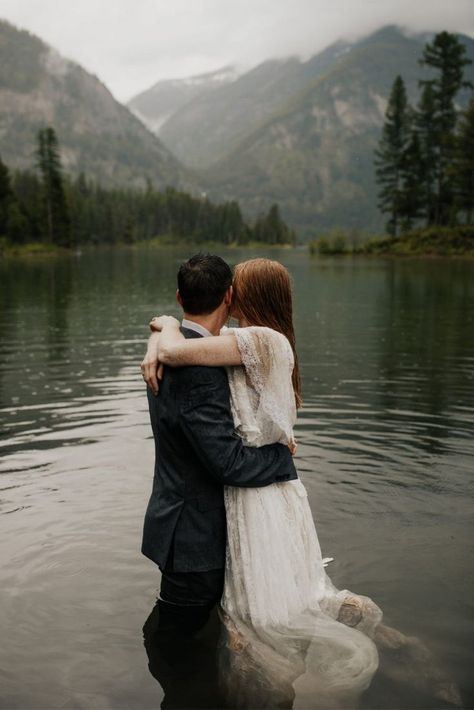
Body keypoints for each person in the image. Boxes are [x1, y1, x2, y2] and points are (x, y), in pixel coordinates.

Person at [142, 256, 384, 709]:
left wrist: (163, 332)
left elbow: (178, 350)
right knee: (247, 608)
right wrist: (163, 329)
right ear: (229, 296)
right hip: (224, 507)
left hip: (241, 501)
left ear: (240, 296)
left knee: (253, 613)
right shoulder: (229, 343)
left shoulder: (260, 341)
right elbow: (183, 346)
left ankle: (239, 688)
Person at [140, 253, 298, 701]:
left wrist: (163, 325)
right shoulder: (198, 369)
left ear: (178, 296)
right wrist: (283, 459)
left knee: (182, 633)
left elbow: (172, 340)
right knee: (181, 644)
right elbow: (228, 464)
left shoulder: (179, 349)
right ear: (229, 296)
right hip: (195, 538)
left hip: (179, 522)